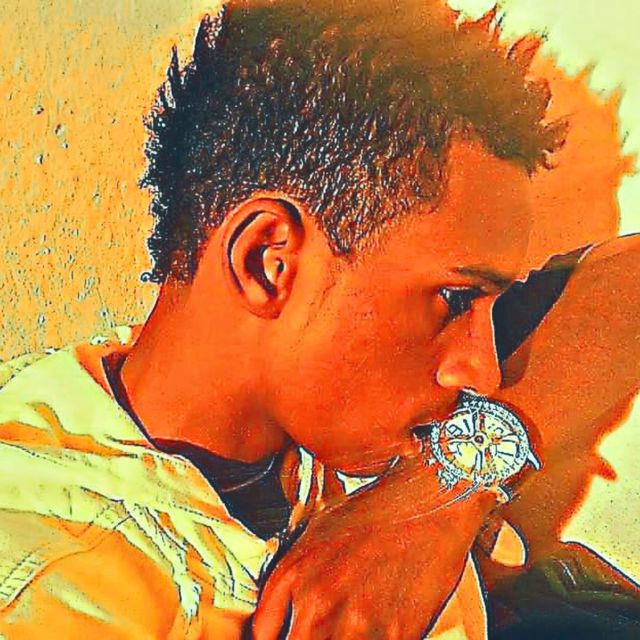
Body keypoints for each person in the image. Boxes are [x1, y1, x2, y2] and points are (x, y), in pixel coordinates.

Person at [0, 1, 638, 639]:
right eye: (454, 300)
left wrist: (440, 498)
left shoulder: (359, 411)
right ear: (268, 262)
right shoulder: (54, 584)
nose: (482, 371)